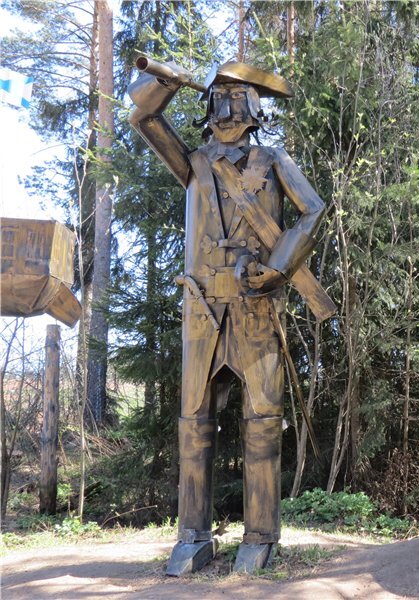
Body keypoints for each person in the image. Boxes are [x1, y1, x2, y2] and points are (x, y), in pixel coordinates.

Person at [128, 61, 329, 575]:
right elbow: (144, 118)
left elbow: (313, 210)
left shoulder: (273, 160)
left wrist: (278, 268)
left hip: (257, 309)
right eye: (218, 100)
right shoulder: (193, 163)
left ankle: (260, 536)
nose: (226, 111)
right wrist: (163, 83)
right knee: (193, 424)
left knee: (261, 423)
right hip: (201, 311)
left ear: (254, 110)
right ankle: (192, 536)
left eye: (237, 101)